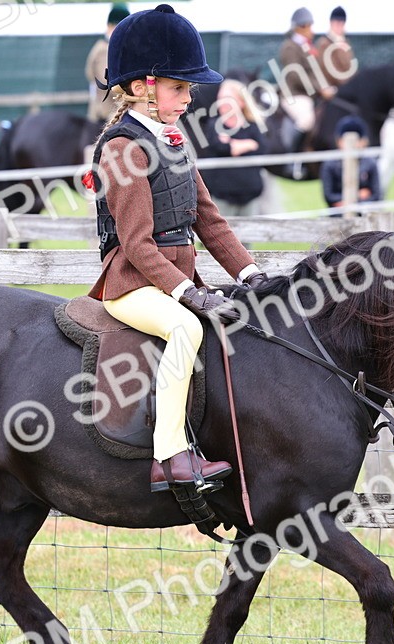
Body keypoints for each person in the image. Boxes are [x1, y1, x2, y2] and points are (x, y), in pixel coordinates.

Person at [85, 4, 268, 493]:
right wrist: (187, 293)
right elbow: (137, 244)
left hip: (173, 283)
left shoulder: (173, 138)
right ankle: (168, 457)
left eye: (188, 89)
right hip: (132, 284)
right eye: (180, 88)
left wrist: (252, 274)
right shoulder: (123, 148)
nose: (190, 98)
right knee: (187, 328)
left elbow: (209, 220)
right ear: (145, 86)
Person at [199, 79, 266, 217]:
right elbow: (222, 147)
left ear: (241, 102)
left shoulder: (253, 125)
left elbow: (262, 149)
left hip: (250, 194)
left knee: (249, 235)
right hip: (223, 195)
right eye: (220, 98)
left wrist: (234, 143)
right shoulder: (214, 125)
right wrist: (248, 144)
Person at [278, 8, 335, 157]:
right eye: (310, 26)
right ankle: (293, 158)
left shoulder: (308, 47)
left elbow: (315, 73)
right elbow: (295, 75)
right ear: (301, 26)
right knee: (307, 120)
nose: (312, 31)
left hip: (310, 95)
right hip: (294, 95)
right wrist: (320, 89)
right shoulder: (290, 47)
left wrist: (326, 86)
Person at [321, 115, 378, 210]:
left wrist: (348, 203)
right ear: (339, 141)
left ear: (363, 141)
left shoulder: (370, 163)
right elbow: (329, 196)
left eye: (357, 140)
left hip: (365, 211)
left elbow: (376, 196)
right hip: (338, 213)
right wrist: (358, 195)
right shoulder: (330, 164)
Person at [86, 4, 129, 124]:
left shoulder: (111, 48)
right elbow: (108, 83)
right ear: (110, 26)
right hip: (106, 114)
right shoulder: (104, 50)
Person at [313, 7, 355, 91]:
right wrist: (347, 84)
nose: (339, 26)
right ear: (331, 23)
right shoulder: (323, 44)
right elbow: (328, 70)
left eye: (341, 23)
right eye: (337, 23)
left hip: (346, 85)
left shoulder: (345, 43)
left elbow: (350, 66)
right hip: (331, 87)